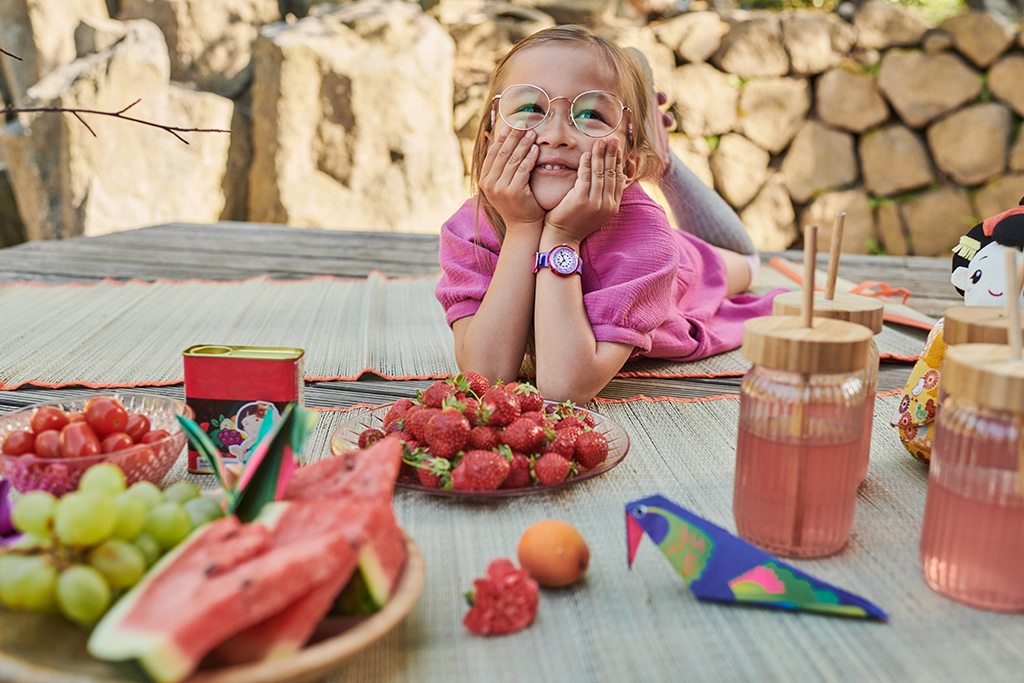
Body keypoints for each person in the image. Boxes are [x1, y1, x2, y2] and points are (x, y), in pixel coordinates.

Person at [435, 25, 779, 403]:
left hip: (680, 265)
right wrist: (522, 228)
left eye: (591, 114)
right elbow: (486, 377)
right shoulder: (468, 230)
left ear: (626, 165)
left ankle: (660, 163)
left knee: (747, 262)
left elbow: (563, 387)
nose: (556, 135)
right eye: (530, 108)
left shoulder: (647, 242)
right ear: (489, 139)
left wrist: (561, 236)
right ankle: (645, 141)